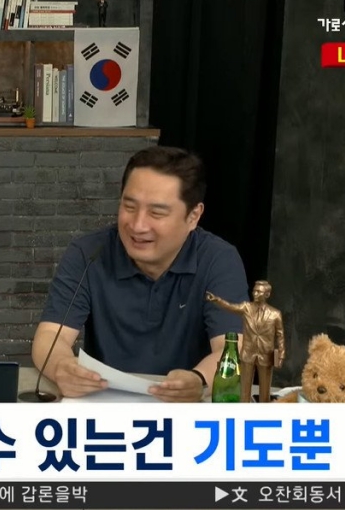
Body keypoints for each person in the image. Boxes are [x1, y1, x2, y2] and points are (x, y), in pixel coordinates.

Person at [31, 145, 249, 402]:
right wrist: (62, 367)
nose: (137, 225)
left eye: (156, 213)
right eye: (129, 206)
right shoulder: (89, 253)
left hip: (184, 410)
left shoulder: (218, 259)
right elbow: (49, 336)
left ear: (193, 216)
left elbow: (232, 349)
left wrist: (199, 380)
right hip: (104, 403)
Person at [206, 281, 285, 403]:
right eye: (254, 291)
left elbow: (280, 335)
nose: (255, 294)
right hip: (248, 354)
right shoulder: (246, 307)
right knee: (244, 389)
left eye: (259, 292)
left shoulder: (275, 314)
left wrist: (280, 355)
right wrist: (217, 300)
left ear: (267, 294)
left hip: (265, 355)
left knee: (265, 392)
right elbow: (230, 307)